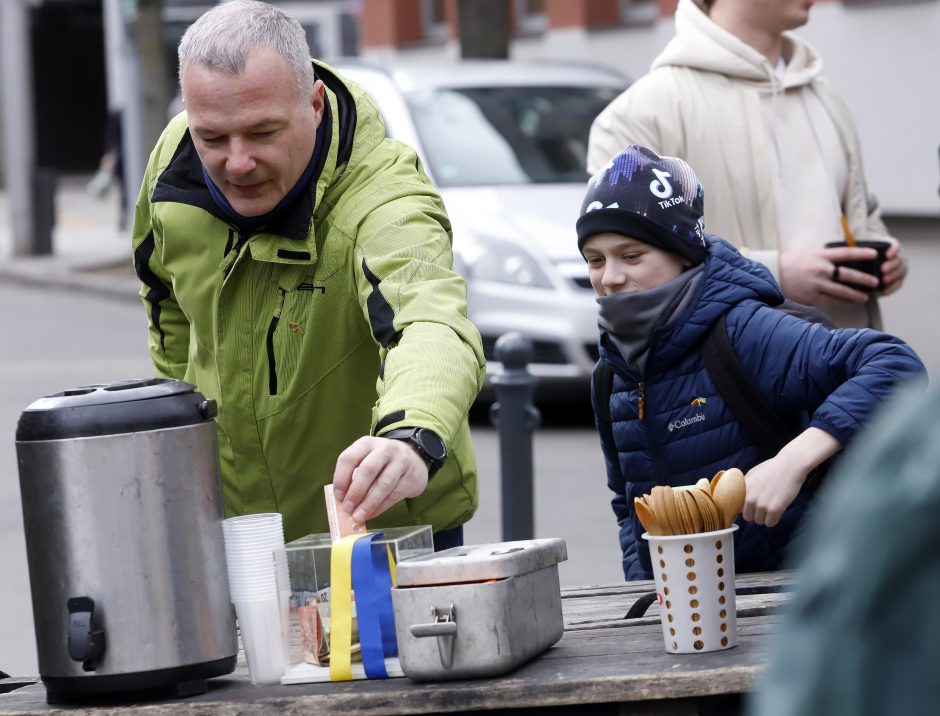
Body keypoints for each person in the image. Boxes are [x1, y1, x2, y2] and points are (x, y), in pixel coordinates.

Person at [131, 0, 485, 547]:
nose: (238, 162)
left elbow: (431, 323)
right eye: (214, 138)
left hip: (387, 533)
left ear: (315, 104)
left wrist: (411, 436)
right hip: (234, 534)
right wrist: (184, 429)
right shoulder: (171, 166)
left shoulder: (385, 198)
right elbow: (165, 302)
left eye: (263, 132)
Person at [579, 144, 925, 580]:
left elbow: (893, 364)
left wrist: (792, 462)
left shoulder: (742, 330)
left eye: (631, 256)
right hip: (688, 609)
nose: (610, 276)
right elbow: (627, 504)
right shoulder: (612, 372)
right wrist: (642, 588)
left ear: (682, 253)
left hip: (796, 598)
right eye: (595, 259)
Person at [587, 0, 907, 330]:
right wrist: (774, 273)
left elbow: (860, 213)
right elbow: (625, 265)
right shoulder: (638, 115)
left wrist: (886, 256)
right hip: (729, 371)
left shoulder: (828, 100)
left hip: (852, 360)